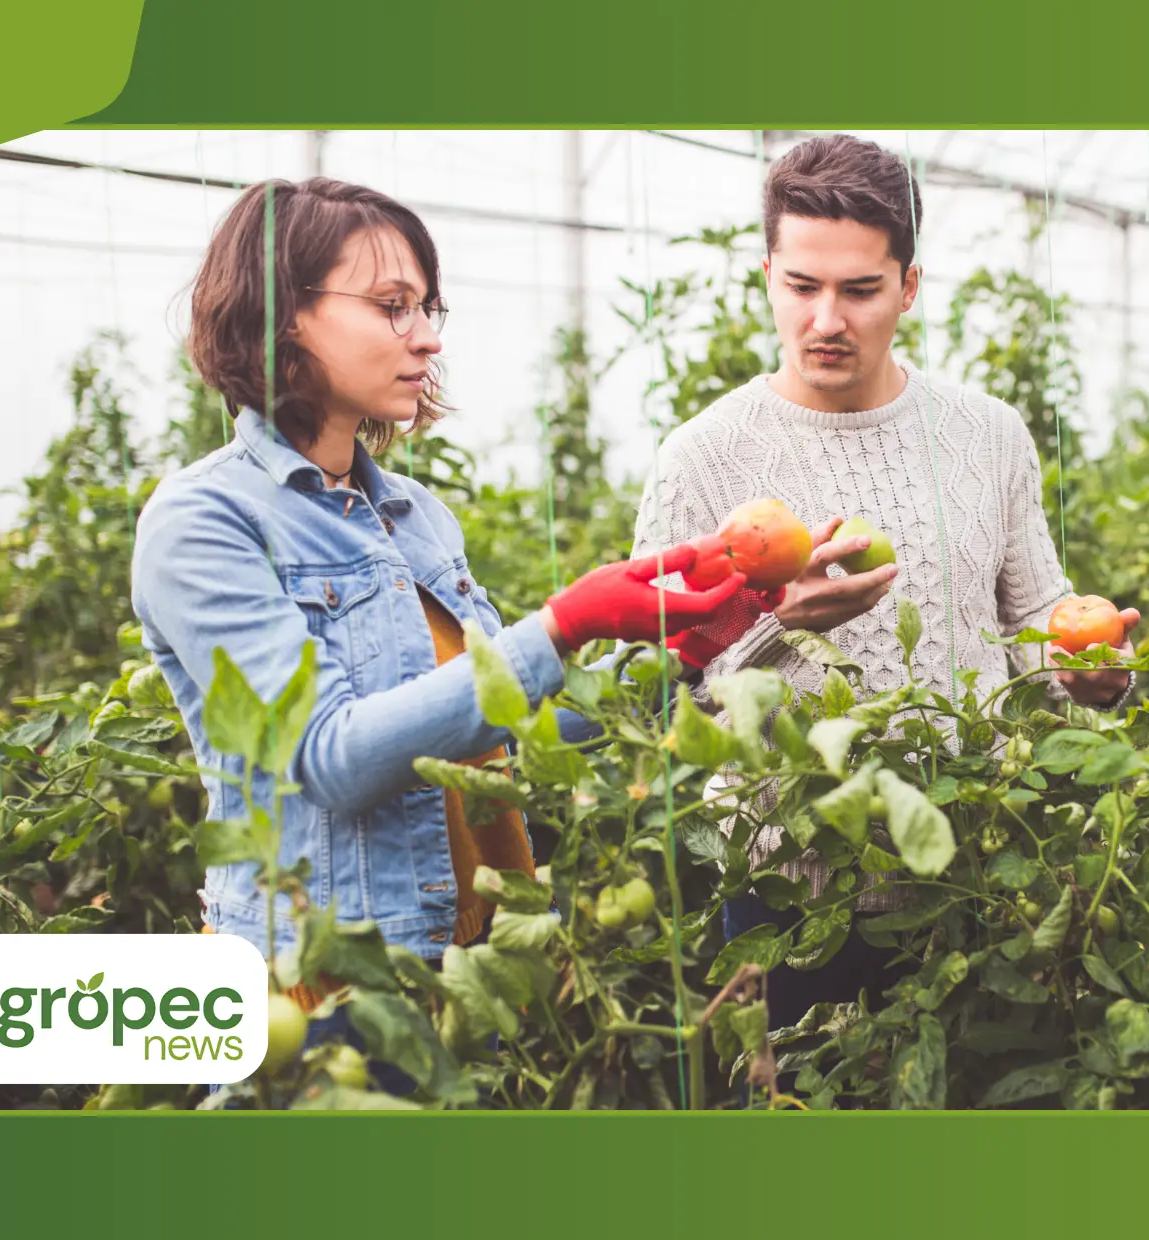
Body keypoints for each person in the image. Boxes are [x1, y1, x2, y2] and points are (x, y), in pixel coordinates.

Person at [131, 178, 753, 1087]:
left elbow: (507, 734)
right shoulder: (203, 522)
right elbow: (329, 758)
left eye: (429, 307)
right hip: (322, 989)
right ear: (283, 314)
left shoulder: (415, 516)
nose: (427, 336)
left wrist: (682, 655)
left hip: (466, 969)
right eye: (392, 306)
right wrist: (564, 623)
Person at [631, 134, 1136, 1020]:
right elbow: (659, 695)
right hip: (790, 892)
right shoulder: (701, 460)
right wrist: (781, 627)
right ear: (767, 276)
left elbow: (1034, 617)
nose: (827, 320)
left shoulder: (987, 435)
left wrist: (1088, 672)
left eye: (861, 290)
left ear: (908, 286)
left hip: (975, 866)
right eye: (802, 287)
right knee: (797, 1098)